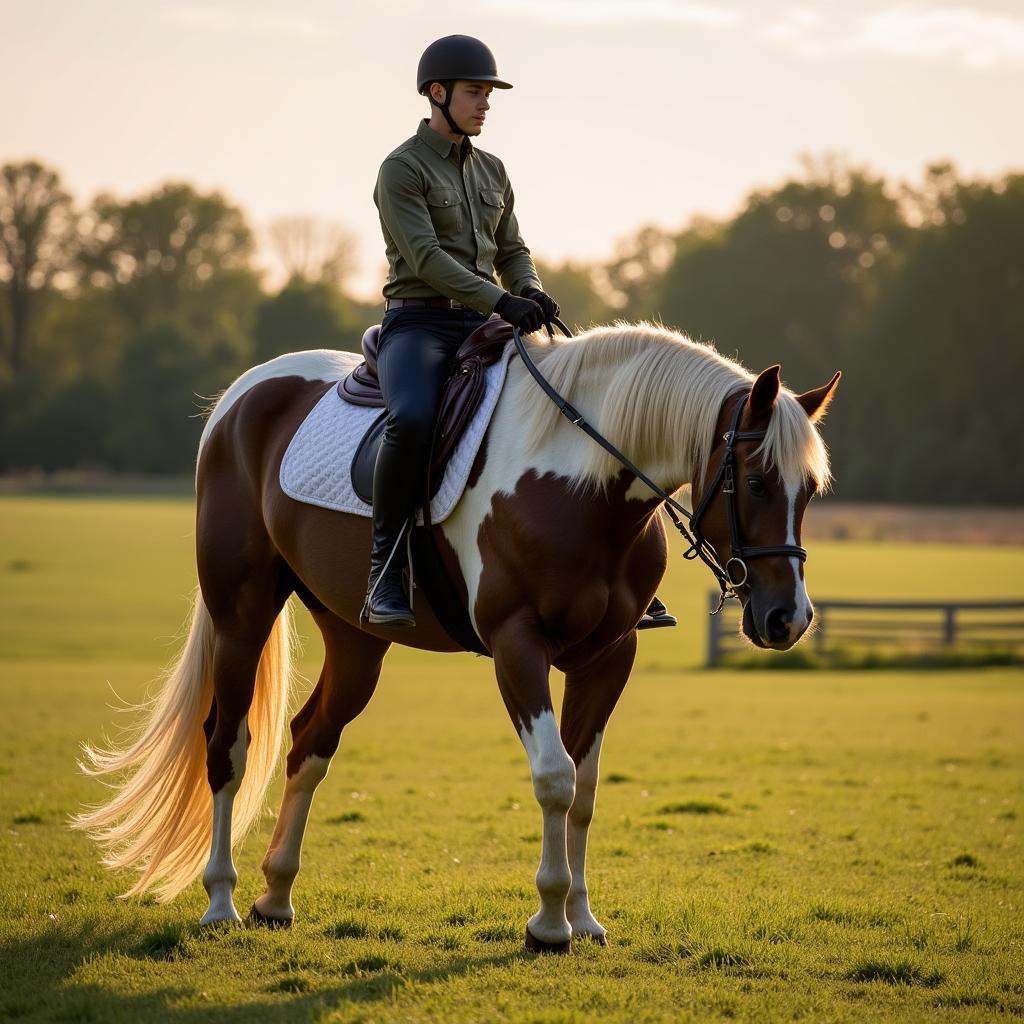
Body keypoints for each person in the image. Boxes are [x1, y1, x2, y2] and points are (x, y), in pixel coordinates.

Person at [363, 34, 676, 632]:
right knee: (413, 420)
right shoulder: (401, 169)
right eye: (475, 92)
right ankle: (386, 566)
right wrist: (502, 299)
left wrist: (528, 288)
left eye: (488, 94)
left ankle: (622, 567)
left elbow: (512, 248)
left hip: (486, 320)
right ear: (437, 93)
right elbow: (425, 257)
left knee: (576, 402)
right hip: (420, 323)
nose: (485, 104)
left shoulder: (493, 170)